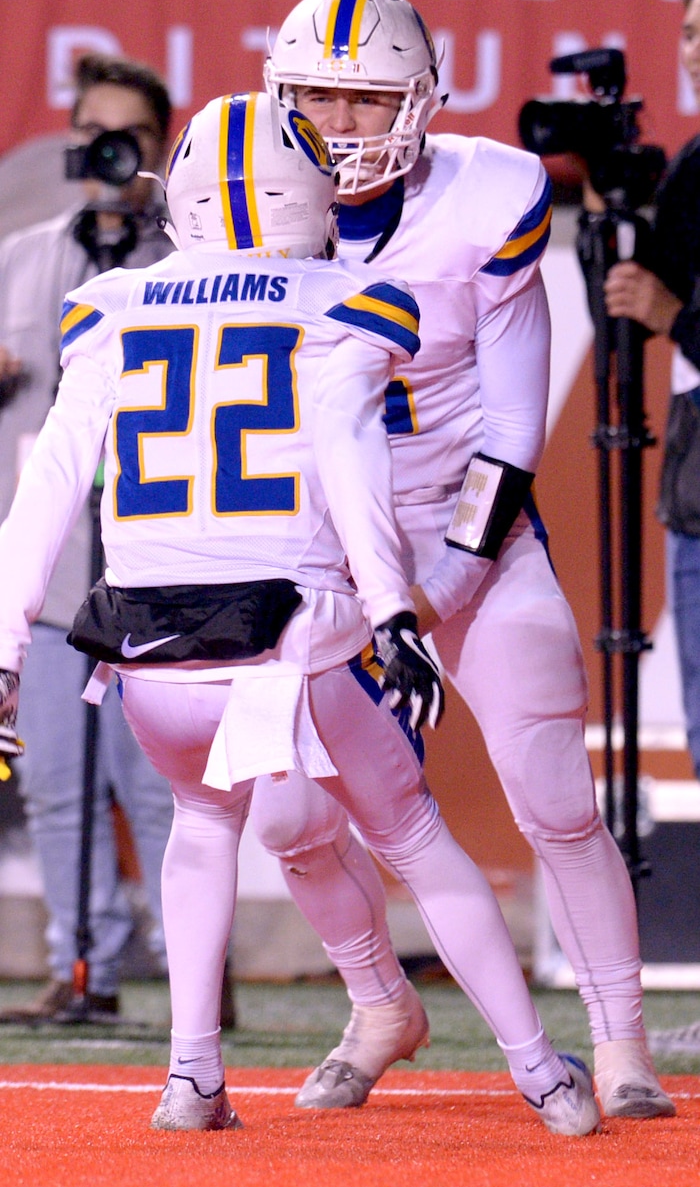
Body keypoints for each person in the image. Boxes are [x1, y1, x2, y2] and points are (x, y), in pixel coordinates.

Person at [0, 89, 601, 1137]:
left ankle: (191, 1075)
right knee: (412, 832)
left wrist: (4, 645)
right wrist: (390, 609)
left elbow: (46, 484)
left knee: (199, 828)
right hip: (292, 636)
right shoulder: (343, 296)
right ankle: (541, 1068)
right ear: (308, 194)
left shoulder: (112, 305)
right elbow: (346, 450)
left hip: (148, 648)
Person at [249, 0, 676, 1119]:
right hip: (323, 560)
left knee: (553, 796)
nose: (338, 127)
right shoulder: (238, 205)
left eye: (364, 100)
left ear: (422, 102)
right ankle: (381, 999)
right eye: (317, 99)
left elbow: (508, 436)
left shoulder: (490, 194)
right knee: (286, 815)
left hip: (468, 541)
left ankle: (621, 1041)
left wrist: (429, 597)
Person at [0, 52, 211, 1024]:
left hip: (154, 565)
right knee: (51, 780)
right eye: (94, 133)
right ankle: (81, 961)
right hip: (50, 568)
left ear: (159, 151)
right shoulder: (27, 252)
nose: (108, 153)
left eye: (128, 137)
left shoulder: (186, 265)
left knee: (161, 785)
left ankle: (193, 969)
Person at [595, 0, 700, 1054]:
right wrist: (606, 231)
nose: (698, 46)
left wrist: (678, 311)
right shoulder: (692, 175)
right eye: (691, 30)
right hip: (696, 502)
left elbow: (669, 313)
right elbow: (628, 328)